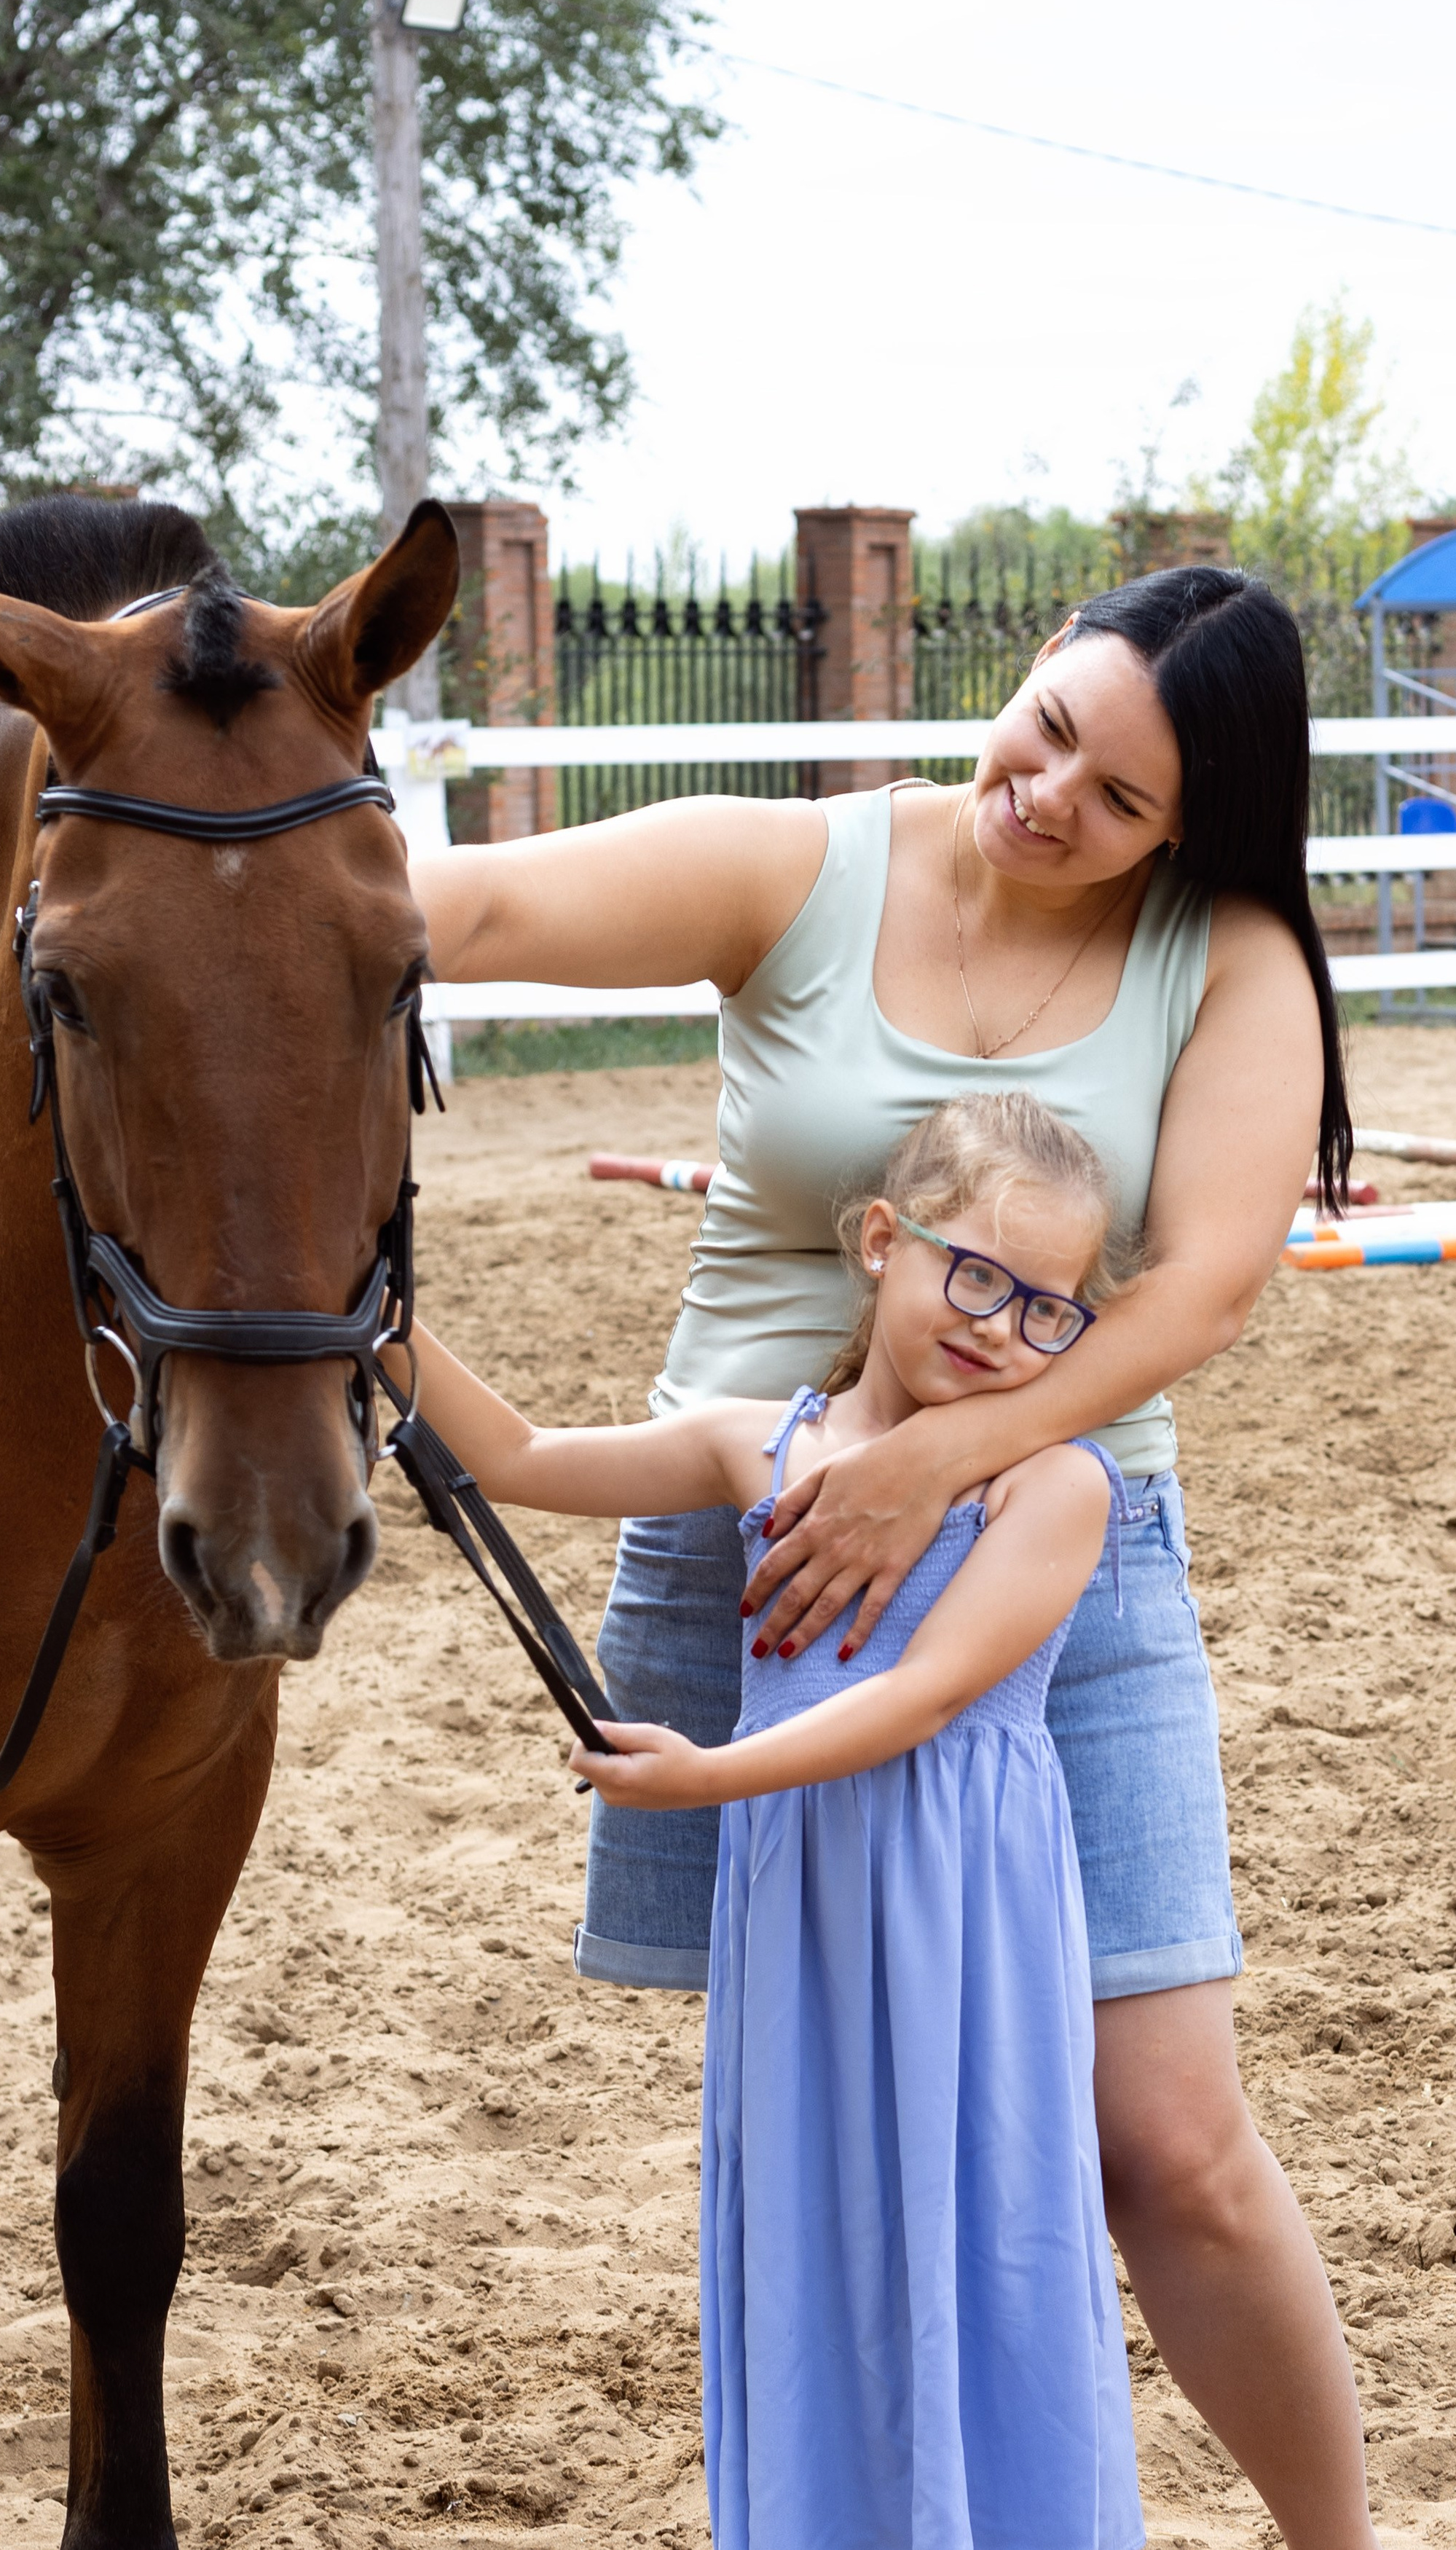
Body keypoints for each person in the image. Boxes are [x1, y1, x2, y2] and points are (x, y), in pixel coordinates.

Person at [413, 563, 1375, 2549]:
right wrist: (185, 889)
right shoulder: (803, 871)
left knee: (1170, 2147)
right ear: (1026, 670)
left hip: (1052, 1560)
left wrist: (939, 1463)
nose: (1049, 798)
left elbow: (1201, 1286)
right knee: (835, 2125)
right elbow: (472, 911)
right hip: (757, 1538)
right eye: (1049, 732)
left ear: (1187, 826)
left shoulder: (1227, 959)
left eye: (1119, 797)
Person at [394, 1093, 1146, 2550]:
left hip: (961, 1917)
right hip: (801, 1901)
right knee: (811, 2225)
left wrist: (707, 1779)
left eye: (1046, 1309)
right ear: (882, 1241)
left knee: (983, 2215)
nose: (1000, 1328)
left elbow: (925, 1695)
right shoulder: (762, 1447)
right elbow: (523, 1460)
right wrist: (366, 1313)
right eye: (974, 1275)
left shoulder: (1051, 1485)